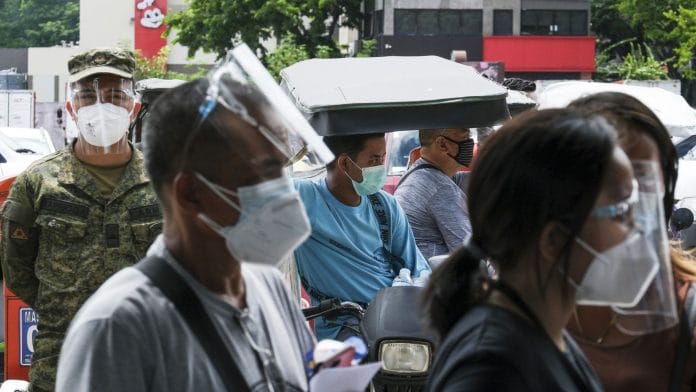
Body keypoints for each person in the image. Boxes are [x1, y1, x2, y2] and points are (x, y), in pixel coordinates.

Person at [55, 50, 323, 391]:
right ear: (191, 193)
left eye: (282, 171)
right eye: (265, 173)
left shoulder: (271, 290)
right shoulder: (117, 326)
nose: (284, 192)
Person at [424, 108, 646, 391]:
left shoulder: (543, 331)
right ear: (554, 240)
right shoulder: (491, 368)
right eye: (621, 212)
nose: (637, 229)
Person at [0, 48, 161, 392]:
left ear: (132, 108)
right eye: (88, 96)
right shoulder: (38, 183)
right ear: (71, 108)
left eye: (115, 96)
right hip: (61, 360)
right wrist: (62, 307)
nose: (101, 107)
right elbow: (16, 267)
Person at [566, 92, 696, 391]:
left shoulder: (686, 311)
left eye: (643, 178)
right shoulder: (522, 302)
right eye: (603, 176)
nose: (627, 198)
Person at [294, 133, 431, 339]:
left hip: (393, 319)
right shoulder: (305, 199)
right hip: (344, 326)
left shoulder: (385, 206)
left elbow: (417, 268)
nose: (381, 168)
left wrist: (412, 287)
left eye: (382, 159)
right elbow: (257, 181)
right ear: (345, 164)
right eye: (374, 160)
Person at [394, 128, 473, 260]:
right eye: (465, 138)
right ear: (442, 144)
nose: (471, 143)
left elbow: (476, 180)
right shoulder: (440, 188)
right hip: (434, 278)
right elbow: (469, 256)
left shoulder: (416, 173)